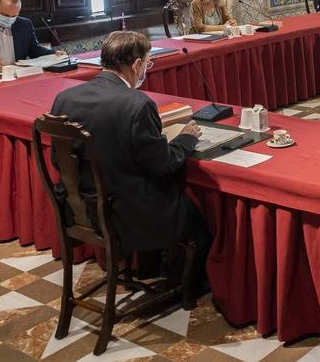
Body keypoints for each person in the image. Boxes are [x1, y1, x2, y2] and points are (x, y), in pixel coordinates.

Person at [49, 31, 210, 295]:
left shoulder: (65, 98)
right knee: (202, 215)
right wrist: (185, 139)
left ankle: (150, 267)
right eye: (148, 63)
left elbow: (58, 160)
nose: (147, 69)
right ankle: (192, 289)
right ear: (136, 65)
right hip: (129, 217)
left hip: (79, 211)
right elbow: (163, 164)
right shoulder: (137, 104)